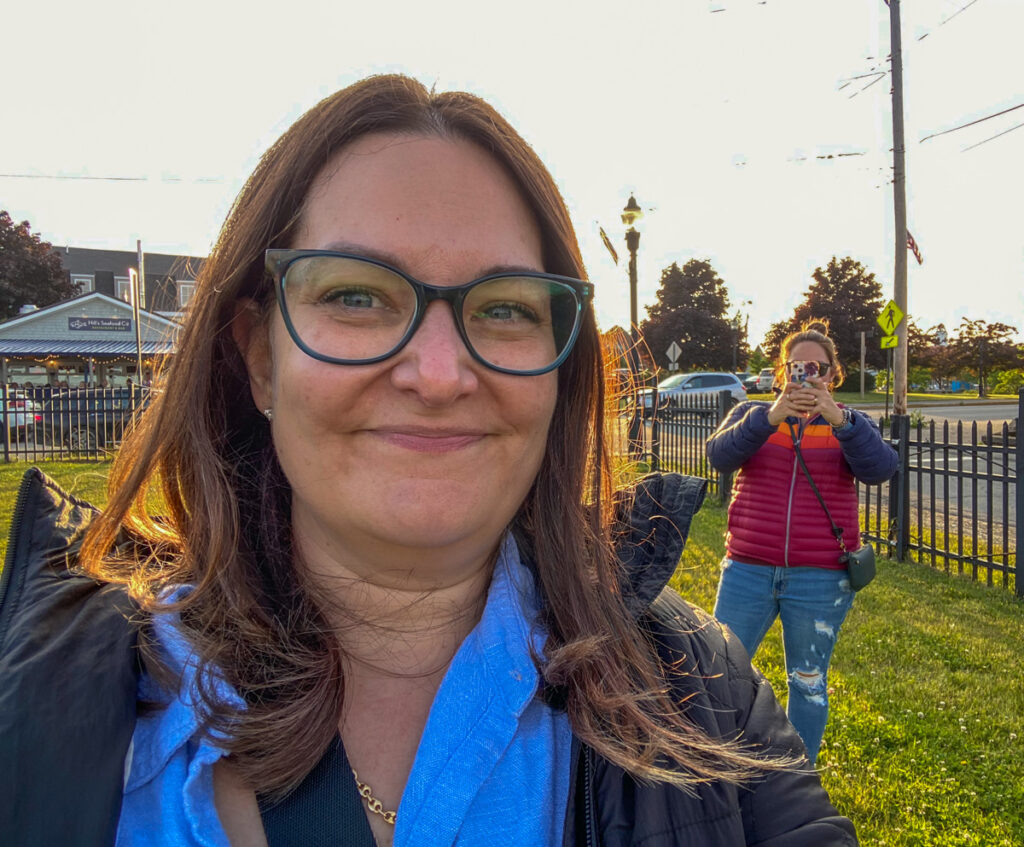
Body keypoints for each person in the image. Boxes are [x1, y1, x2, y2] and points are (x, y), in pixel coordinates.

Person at [0, 77, 858, 846]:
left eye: (507, 308)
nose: (441, 374)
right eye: (357, 295)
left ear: (561, 371)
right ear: (259, 357)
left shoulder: (698, 684)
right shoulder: (48, 706)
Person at [707, 321, 898, 764]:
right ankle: (716, 764)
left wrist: (842, 421)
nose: (808, 376)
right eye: (798, 367)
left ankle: (798, 780)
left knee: (808, 681)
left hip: (821, 577)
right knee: (720, 672)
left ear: (833, 374)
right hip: (748, 571)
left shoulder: (851, 423)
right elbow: (718, 458)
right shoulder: (752, 416)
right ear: (782, 372)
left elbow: (881, 469)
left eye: (818, 368)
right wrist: (770, 417)